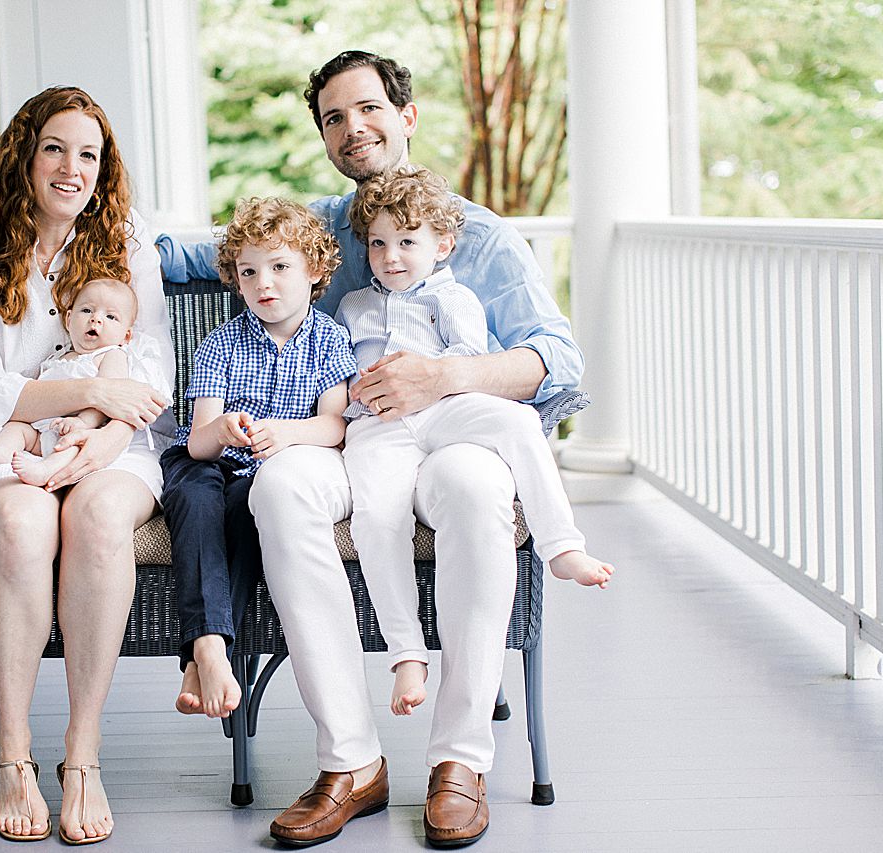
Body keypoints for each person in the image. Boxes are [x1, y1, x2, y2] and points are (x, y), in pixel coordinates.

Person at [159, 51, 586, 848]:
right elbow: (195, 253)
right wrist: (91, 242)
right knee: (279, 487)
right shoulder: (322, 227)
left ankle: (460, 760)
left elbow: (557, 360)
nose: (352, 128)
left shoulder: (478, 235)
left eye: (367, 109)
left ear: (406, 115)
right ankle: (351, 760)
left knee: (475, 488)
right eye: (333, 117)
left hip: (454, 432)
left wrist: (447, 374)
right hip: (356, 438)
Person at [0, 86, 173, 845]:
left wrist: (102, 433)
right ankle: (14, 752)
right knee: (22, 515)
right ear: (24, 156)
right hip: (3, 450)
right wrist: (86, 387)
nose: (72, 168)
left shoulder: (130, 244)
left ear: (103, 171)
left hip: (115, 441)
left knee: (99, 513)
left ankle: (82, 752)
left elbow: (156, 367)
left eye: (90, 155)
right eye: (56, 148)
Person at [339, 166, 614, 719]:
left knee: (516, 425)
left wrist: (432, 378)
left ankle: (561, 545)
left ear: (442, 245)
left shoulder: (455, 297)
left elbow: (465, 361)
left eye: (407, 242)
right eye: (378, 244)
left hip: (445, 409)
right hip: (378, 424)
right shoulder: (353, 307)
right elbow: (340, 365)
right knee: (376, 516)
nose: (392, 256)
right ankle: (406, 652)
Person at [160, 197, 357, 719]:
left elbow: (334, 426)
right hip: (208, 461)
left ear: (314, 270)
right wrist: (224, 430)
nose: (263, 283)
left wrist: (287, 435)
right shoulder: (221, 343)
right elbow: (197, 441)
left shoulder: (330, 341)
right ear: (235, 280)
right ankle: (209, 650)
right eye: (249, 271)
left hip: (268, 470)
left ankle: (204, 654)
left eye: (279, 266)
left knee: (251, 509)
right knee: (196, 496)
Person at [0, 277, 170, 489]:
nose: (96, 319)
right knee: (15, 427)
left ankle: (45, 470)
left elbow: (110, 399)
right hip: (44, 432)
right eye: (86, 311)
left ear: (126, 336)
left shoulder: (111, 355)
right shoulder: (60, 358)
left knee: (75, 443)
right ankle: (2, 452)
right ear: (68, 320)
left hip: (82, 433)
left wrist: (83, 422)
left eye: (110, 316)